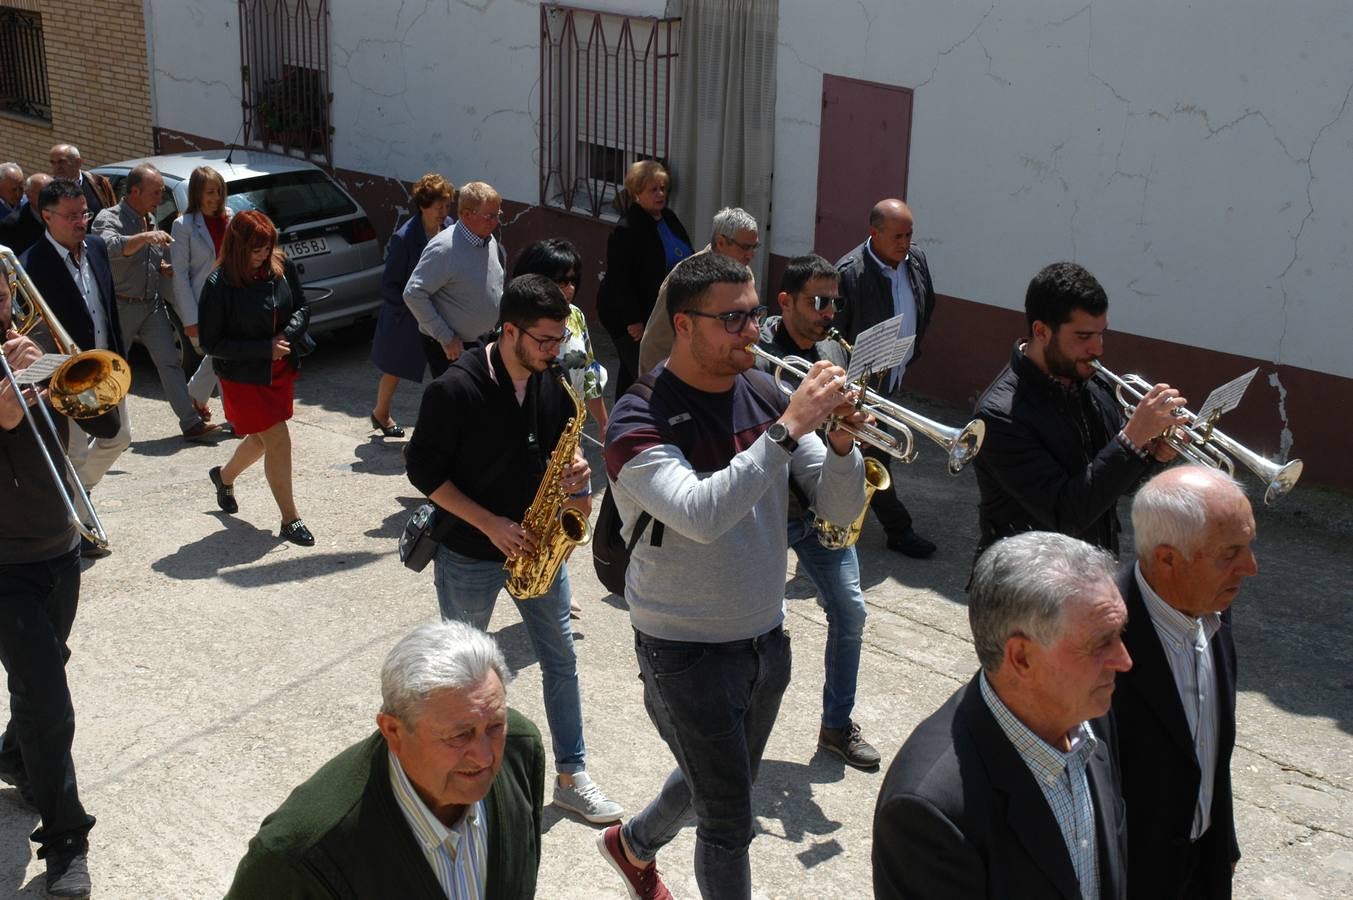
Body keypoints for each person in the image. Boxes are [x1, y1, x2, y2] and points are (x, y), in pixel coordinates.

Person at [600, 253, 867, 899]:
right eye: (732, 319)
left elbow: (836, 510)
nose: (752, 330)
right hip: (681, 653)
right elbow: (700, 513)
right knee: (727, 819)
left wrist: (839, 447)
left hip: (764, 639)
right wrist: (788, 428)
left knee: (719, 780)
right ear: (684, 325)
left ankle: (631, 843)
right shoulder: (636, 420)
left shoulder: (761, 391)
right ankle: (638, 848)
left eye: (754, 314)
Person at [405, 274, 623, 826]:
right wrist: (490, 523)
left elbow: (556, 452)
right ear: (509, 332)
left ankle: (572, 776)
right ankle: (458, 782)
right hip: (469, 552)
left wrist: (575, 479)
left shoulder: (552, 383)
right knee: (467, 678)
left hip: (539, 545)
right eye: (545, 341)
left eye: (559, 341)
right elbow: (424, 473)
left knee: (561, 660)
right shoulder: (454, 389)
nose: (555, 352)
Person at [873, 531, 1131, 899]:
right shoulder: (929, 812)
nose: (1124, 660)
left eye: (1120, 634)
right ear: (1022, 657)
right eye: (1101, 642)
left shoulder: (1090, 715)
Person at [225, 619, 546, 898]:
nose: (485, 756)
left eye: (494, 726)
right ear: (393, 730)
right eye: (459, 735)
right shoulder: (300, 853)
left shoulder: (520, 749)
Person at [0, 276, 110, 897]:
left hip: (59, 547)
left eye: (1, 298)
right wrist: (7, 402)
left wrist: (70, 378)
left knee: (40, 674)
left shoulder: (30, 352)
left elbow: (106, 412)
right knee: (48, 698)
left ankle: (15, 754)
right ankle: (67, 840)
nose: (0, 313)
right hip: (3, 567)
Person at [755, 253, 880, 769]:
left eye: (834, 302)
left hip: (819, 506)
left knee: (850, 612)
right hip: (767, 506)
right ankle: (739, 734)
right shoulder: (759, 352)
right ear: (785, 301)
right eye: (818, 302)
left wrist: (851, 426)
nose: (829, 312)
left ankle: (835, 725)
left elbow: (835, 437)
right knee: (759, 629)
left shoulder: (833, 349)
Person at [972, 261, 1184, 560]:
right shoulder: (1000, 416)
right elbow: (1065, 514)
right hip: (1027, 585)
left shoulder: (1091, 383)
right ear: (1041, 331)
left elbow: (1110, 479)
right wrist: (1132, 439)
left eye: (1101, 334)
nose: (1097, 349)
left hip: (1089, 570)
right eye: (1083, 337)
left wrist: (1151, 454)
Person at [1114, 466, 1254, 898]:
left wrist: (1222, 844)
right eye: (1229, 553)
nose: (1250, 567)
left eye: (1249, 546)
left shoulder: (1213, 608)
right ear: (1167, 559)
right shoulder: (1097, 636)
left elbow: (1210, 753)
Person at [20, 178, 127, 561]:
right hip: (64, 378)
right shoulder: (30, 264)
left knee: (119, 437)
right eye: (71, 216)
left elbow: (107, 306)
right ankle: (78, 528)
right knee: (77, 453)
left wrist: (117, 356)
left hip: (102, 369)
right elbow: (33, 330)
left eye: (84, 212)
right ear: (46, 216)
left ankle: (76, 498)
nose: (82, 221)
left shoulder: (96, 247)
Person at [199, 210, 315, 546]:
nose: (264, 254)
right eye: (256, 249)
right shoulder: (218, 284)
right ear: (238, 247)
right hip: (243, 377)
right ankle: (290, 519)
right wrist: (263, 348)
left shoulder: (280, 265)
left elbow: (302, 307)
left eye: (268, 247)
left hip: (278, 369)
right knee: (278, 439)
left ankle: (223, 477)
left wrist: (288, 336)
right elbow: (210, 343)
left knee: (263, 439)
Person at [834, 199, 938, 559]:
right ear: (873, 233)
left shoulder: (917, 260)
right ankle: (898, 529)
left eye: (909, 235)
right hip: (861, 383)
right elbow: (833, 333)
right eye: (897, 235)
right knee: (874, 455)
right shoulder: (849, 273)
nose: (905, 243)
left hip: (893, 376)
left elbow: (928, 302)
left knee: (872, 453)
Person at [92, 163, 221, 441]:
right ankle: (107, 433)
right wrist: (145, 237)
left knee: (170, 362)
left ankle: (190, 422)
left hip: (151, 304)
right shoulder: (110, 217)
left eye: (162, 191)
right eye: (155, 191)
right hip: (120, 307)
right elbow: (106, 247)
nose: (160, 197)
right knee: (114, 371)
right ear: (135, 190)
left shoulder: (147, 217)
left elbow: (142, 256)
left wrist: (161, 265)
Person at [596, 160, 692, 397]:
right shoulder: (627, 229)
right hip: (629, 317)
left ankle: (620, 421)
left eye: (663, 188)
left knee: (631, 375)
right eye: (653, 190)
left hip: (659, 310)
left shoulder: (668, 218)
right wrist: (634, 320)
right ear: (637, 193)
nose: (660, 194)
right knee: (646, 375)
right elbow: (620, 280)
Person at [368, 173, 454, 437]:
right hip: (407, 317)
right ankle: (381, 414)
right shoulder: (405, 238)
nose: (443, 212)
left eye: (447, 205)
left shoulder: (449, 227)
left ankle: (445, 425)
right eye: (438, 206)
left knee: (446, 368)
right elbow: (390, 285)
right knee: (396, 368)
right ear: (423, 205)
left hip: (441, 312)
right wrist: (412, 307)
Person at [637, 206, 760, 375]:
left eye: (754, 247)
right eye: (745, 247)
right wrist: (655, 389)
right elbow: (655, 343)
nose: (750, 255)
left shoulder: (746, 274)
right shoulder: (688, 278)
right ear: (721, 242)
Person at [403, 180, 505, 380]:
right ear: (466, 214)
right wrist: (446, 337)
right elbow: (413, 294)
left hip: (484, 342)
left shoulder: (489, 240)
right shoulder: (444, 249)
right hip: (453, 348)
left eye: (497, 215)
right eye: (489, 216)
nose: (495, 222)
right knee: (457, 406)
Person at [511, 238, 609, 435]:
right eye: (561, 281)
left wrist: (604, 424)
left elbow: (589, 372)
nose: (570, 288)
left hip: (569, 430)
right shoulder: (517, 325)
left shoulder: (575, 315)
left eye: (572, 280)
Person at [169, 166, 230, 427]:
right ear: (196, 193)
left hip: (233, 299)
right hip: (205, 304)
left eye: (218, 191)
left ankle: (196, 392)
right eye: (209, 192)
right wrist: (190, 317)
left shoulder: (230, 218)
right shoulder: (183, 226)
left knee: (224, 354)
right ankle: (236, 417)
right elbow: (180, 276)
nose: (215, 198)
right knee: (224, 354)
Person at [48, 144, 115, 219]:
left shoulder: (99, 182)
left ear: (78, 162)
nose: (56, 167)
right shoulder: (48, 190)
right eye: (52, 162)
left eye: (61, 162)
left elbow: (112, 211)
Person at [1, 172, 52, 255]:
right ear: (28, 195)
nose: (48, 198)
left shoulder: (62, 218)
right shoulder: (10, 226)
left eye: (51, 193)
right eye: (42, 193)